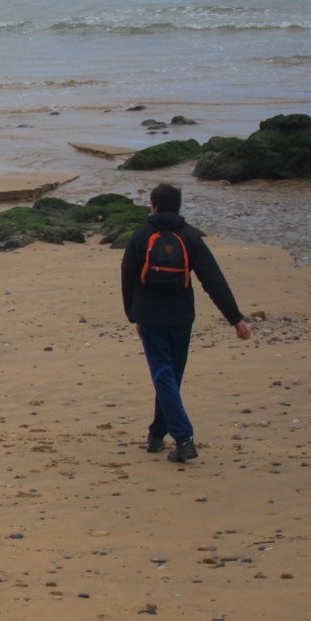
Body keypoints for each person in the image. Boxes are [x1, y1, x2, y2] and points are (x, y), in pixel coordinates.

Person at [120, 184, 251, 463]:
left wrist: (134, 315)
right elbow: (213, 280)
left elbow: (127, 278)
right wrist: (236, 318)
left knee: (163, 375)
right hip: (182, 318)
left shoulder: (141, 236)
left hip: (151, 317)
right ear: (178, 206)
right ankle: (157, 435)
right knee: (171, 376)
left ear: (153, 204)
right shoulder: (190, 236)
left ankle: (183, 439)